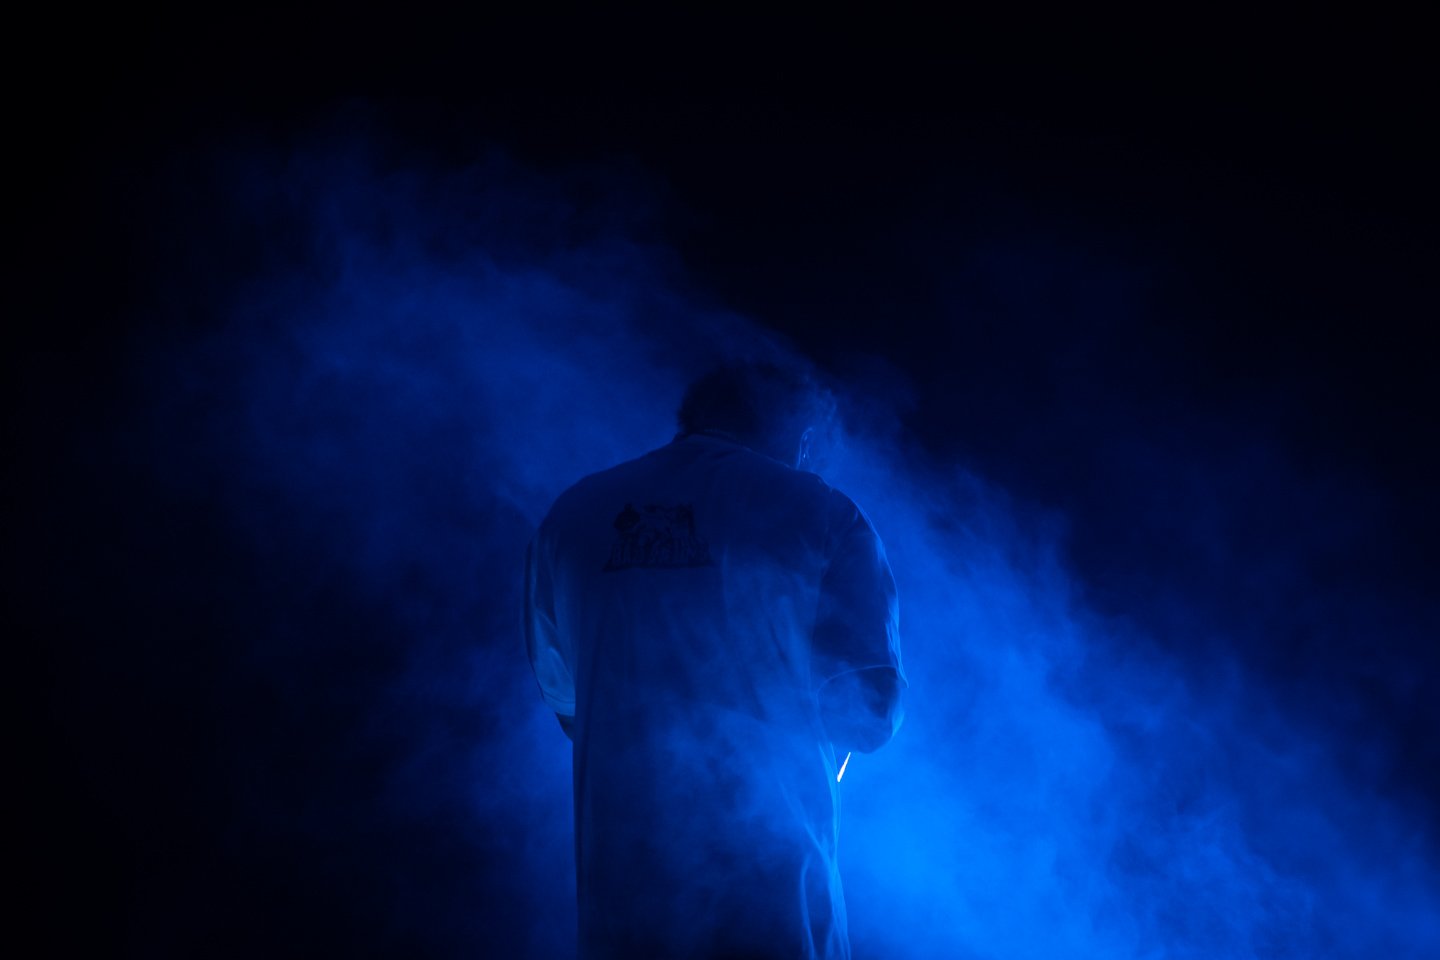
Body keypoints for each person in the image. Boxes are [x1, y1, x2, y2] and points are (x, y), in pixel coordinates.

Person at [524, 360, 905, 960]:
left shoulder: (572, 518)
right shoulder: (824, 514)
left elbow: (568, 702)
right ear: (803, 440)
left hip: (622, 899)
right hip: (772, 897)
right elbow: (867, 712)